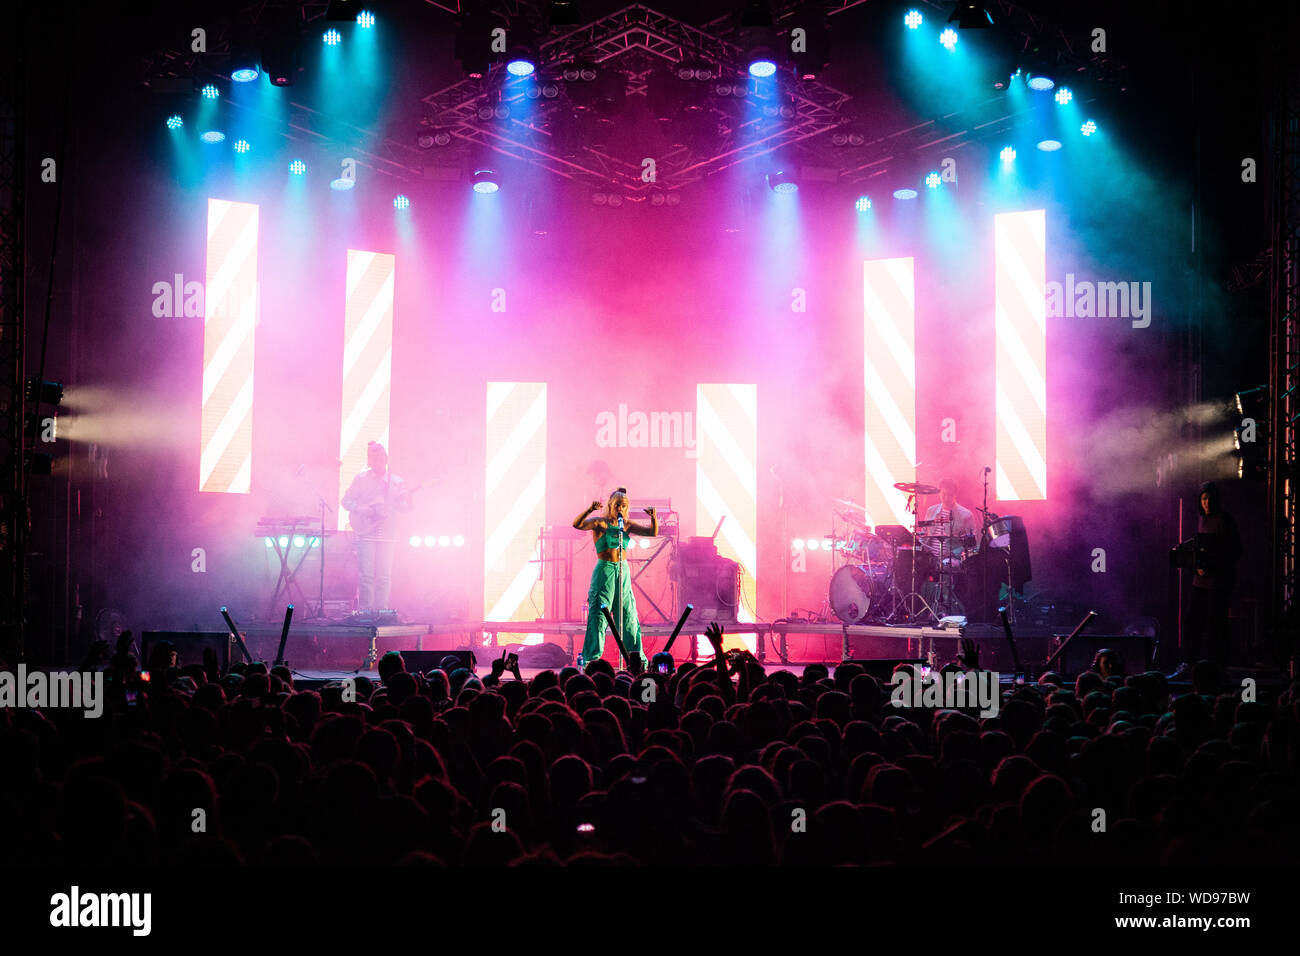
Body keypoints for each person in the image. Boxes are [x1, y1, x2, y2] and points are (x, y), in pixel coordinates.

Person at [573, 488, 658, 671]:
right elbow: (577, 524)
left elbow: (652, 533)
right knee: (598, 616)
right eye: (618, 504)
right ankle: (591, 660)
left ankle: (636, 660)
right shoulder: (600, 523)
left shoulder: (626, 525)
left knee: (628, 616)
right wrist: (589, 510)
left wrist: (653, 517)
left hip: (623, 570)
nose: (621, 508)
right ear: (611, 505)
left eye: (624, 505)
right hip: (605, 570)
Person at [1176, 481, 1242, 678]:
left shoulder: (1225, 520)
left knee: (1216, 625)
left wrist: (1212, 566)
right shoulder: (1201, 519)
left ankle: (1217, 668)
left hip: (1218, 583)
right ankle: (1190, 664)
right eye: (1204, 498)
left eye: (1210, 498)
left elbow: (1235, 552)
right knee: (1192, 622)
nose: (1207, 502)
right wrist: (1195, 565)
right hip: (1200, 581)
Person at [341, 441, 413, 612]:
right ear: (369, 460)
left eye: (381, 458)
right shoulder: (361, 479)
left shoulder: (396, 481)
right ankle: (366, 610)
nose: (378, 462)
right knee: (367, 575)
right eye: (374, 458)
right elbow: (346, 501)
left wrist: (407, 499)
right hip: (366, 531)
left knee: (384, 575)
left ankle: (382, 610)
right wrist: (361, 509)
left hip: (388, 533)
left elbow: (403, 509)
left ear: (386, 459)